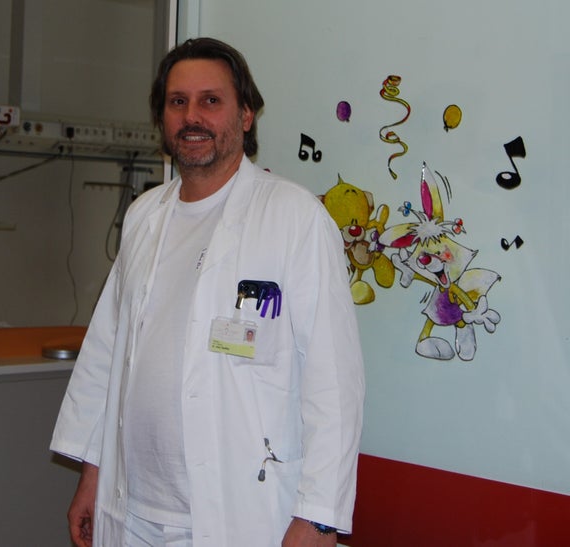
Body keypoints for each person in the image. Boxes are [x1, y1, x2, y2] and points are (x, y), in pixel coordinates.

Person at [50, 37, 364, 547]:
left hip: (238, 512)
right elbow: (108, 355)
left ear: (246, 115)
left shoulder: (295, 218)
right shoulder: (144, 216)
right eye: (178, 101)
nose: (191, 116)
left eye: (210, 100)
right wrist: (93, 471)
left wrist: (318, 518)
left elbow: (334, 383)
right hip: (132, 509)